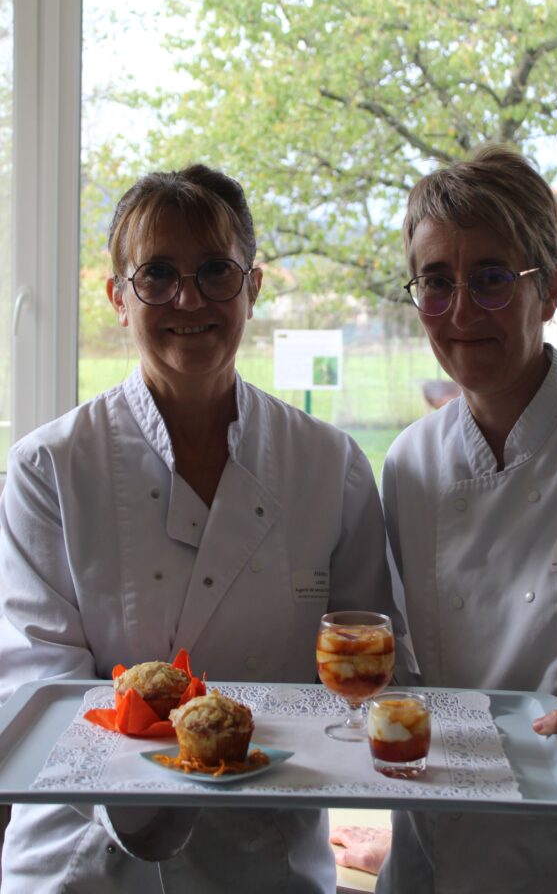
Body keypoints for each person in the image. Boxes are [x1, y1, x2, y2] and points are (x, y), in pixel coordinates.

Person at [0, 164, 402, 894]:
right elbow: (37, 684)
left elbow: (360, 671)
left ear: (252, 287)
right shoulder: (49, 467)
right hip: (84, 859)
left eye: (215, 270)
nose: (188, 298)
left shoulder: (327, 464)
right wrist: (148, 798)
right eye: (157, 274)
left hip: (265, 857)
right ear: (119, 298)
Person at [338, 144, 557, 891]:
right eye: (435, 282)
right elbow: (398, 673)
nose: (460, 312)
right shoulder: (407, 464)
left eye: (491, 279)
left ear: (549, 290)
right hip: (443, 852)